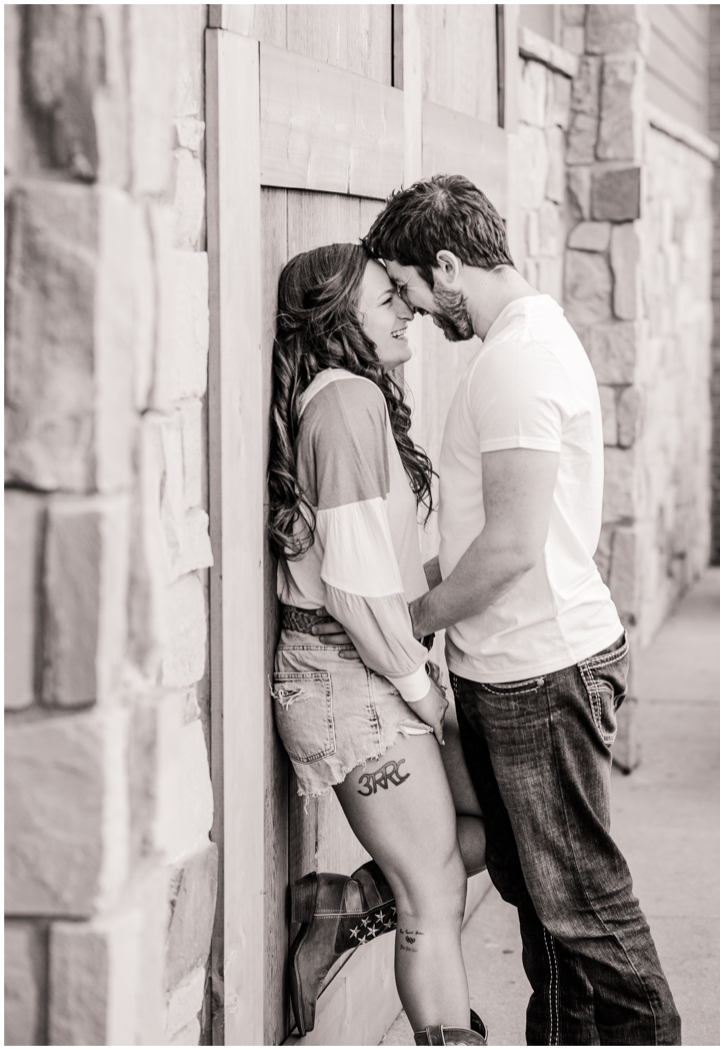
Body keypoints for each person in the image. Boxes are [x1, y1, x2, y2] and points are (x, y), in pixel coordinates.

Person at [354, 174, 681, 1045]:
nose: (414, 311)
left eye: (411, 288)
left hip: (541, 673)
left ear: (448, 266)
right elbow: (482, 537)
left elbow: (508, 548)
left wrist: (405, 623)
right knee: (547, 919)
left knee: (586, 912)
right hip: (518, 668)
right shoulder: (516, 347)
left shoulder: (519, 361)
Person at [267, 243, 490, 1046]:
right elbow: (356, 594)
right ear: (339, 320)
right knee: (434, 892)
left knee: (493, 825)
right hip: (350, 677)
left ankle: (347, 903)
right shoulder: (344, 404)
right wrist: (422, 691)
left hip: (369, 665)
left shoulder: (355, 399)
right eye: (387, 300)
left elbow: (376, 570)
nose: (408, 313)